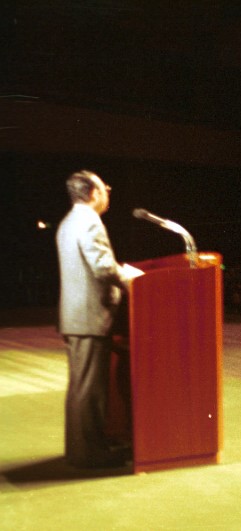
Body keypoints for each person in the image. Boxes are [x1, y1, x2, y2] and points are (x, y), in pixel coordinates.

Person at [56, 170, 141, 468]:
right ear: (93, 192)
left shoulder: (69, 221)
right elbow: (102, 267)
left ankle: (82, 449)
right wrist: (128, 277)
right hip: (89, 317)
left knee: (81, 389)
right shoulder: (89, 221)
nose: (108, 191)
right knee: (89, 392)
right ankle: (90, 455)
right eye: (105, 187)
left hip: (77, 317)